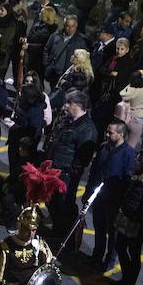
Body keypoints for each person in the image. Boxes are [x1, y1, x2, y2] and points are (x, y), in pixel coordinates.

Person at [45, 91, 97, 244]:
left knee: (65, 205)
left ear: (78, 105)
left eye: (69, 103)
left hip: (67, 175)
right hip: (55, 169)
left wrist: (70, 172)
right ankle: (58, 230)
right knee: (53, 202)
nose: (65, 106)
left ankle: (68, 240)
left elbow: (83, 157)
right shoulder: (68, 121)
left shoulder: (87, 129)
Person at [84, 120, 137, 271]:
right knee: (99, 228)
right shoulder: (103, 147)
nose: (107, 134)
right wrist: (89, 191)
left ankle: (108, 262)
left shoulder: (129, 154)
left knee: (112, 233)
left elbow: (128, 179)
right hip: (99, 196)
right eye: (107, 131)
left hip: (114, 199)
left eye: (110, 132)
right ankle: (96, 256)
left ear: (121, 135)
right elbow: (94, 171)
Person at [112, 151, 143, 285]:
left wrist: (137, 218)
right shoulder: (140, 176)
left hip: (136, 223)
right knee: (120, 247)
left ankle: (129, 282)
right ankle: (126, 278)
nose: (136, 163)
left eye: (139, 161)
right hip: (127, 218)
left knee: (133, 252)